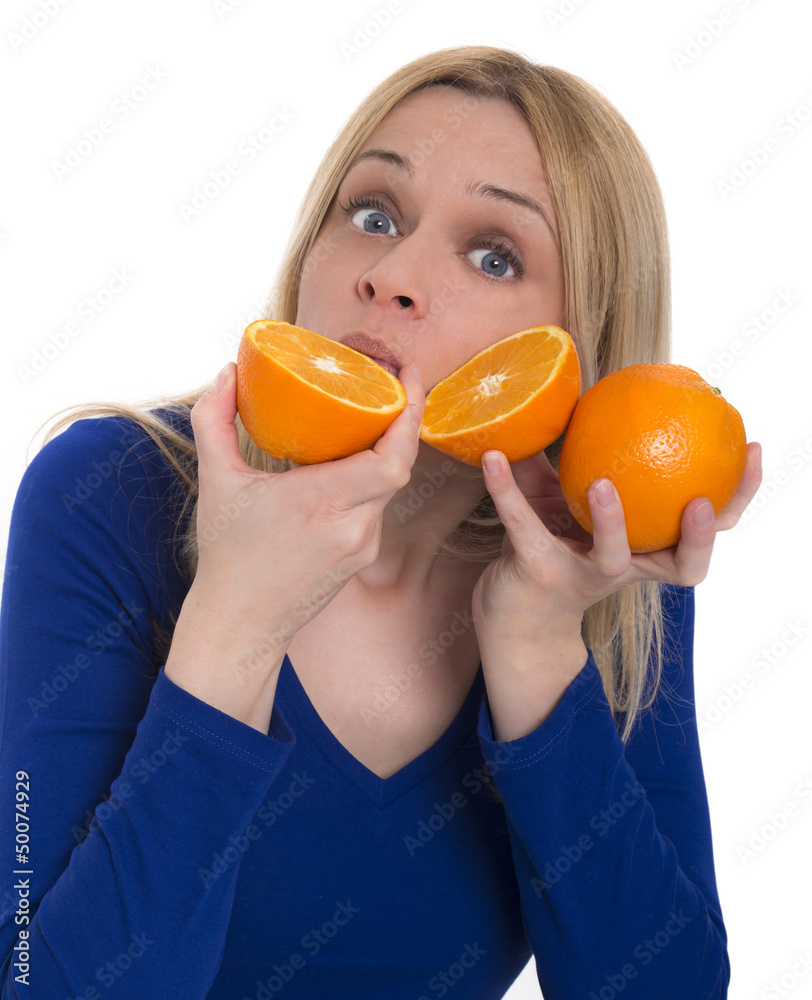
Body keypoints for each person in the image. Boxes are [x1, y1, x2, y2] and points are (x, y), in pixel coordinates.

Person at [0, 45, 761, 999]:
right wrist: (234, 625)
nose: (391, 274)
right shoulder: (109, 492)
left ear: (579, 346)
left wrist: (536, 646)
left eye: (494, 256)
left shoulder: (597, 562)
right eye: (373, 214)